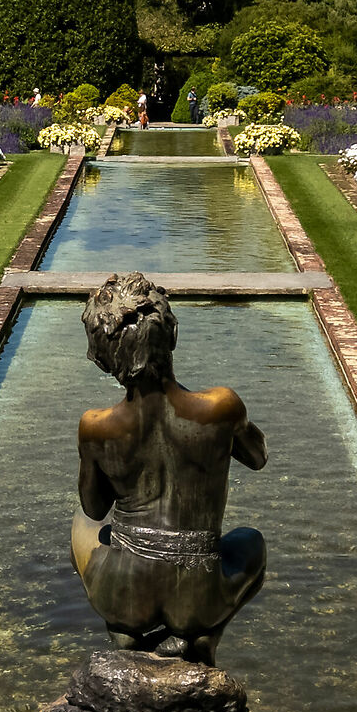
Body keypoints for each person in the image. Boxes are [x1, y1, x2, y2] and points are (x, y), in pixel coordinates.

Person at [71, 273, 268, 666]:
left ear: (105, 355)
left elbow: (94, 507)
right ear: (170, 336)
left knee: (83, 524)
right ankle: (204, 636)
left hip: (123, 595)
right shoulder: (221, 406)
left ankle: (124, 635)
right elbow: (258, 458)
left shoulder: (96, 425)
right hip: (198, 597)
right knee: (251, 541)